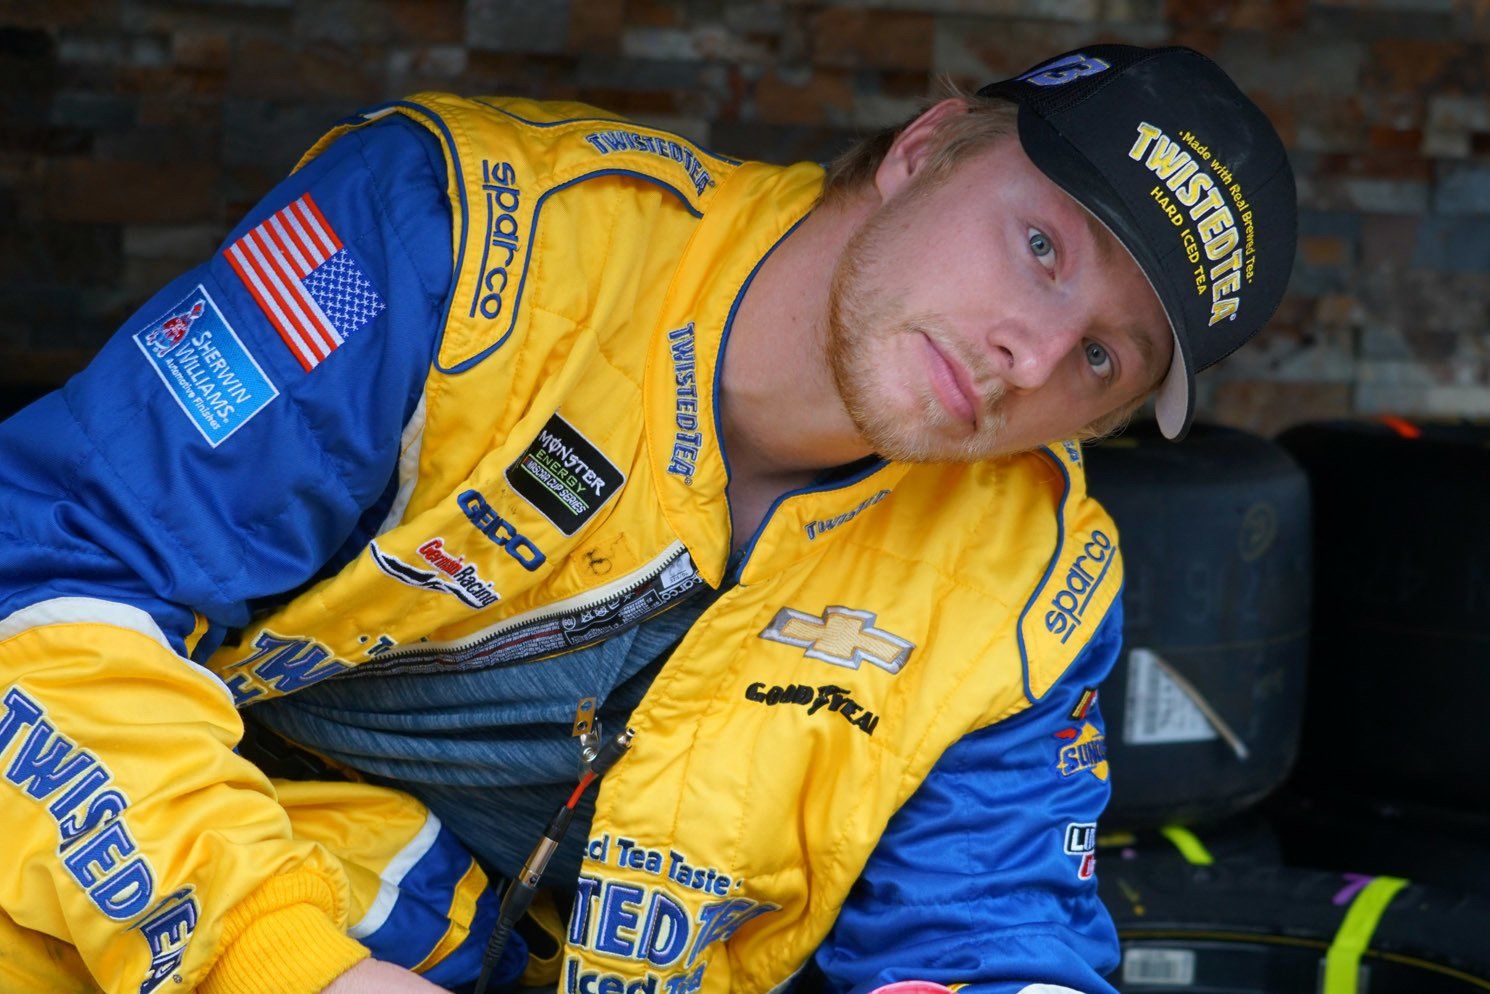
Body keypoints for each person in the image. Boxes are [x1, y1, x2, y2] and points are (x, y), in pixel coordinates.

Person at [0, 44, 1294, 994]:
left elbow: (986, 930)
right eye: (1044, 249)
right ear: (922, 148)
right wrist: (281, 960)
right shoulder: (457, 241)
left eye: (1104, 363)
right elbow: (38, 578)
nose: (1034, 350)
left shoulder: (1031, 570)